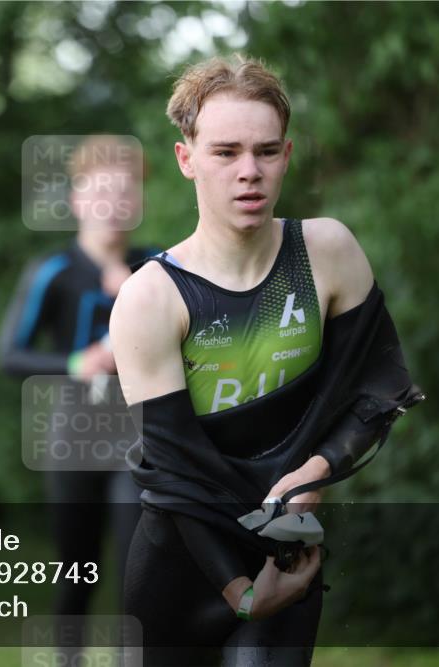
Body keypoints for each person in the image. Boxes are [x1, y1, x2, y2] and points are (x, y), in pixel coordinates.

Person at [110, 55, 422, 665]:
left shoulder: (327, 251)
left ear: (288, 154)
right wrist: (243, 592)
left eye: (267, 151)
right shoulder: (150, 297)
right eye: (225, 152)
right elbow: (174, 473)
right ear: (187, 160)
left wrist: (316, 472)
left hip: (287, 550)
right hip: (183, 568)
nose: (249, 172)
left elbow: (381, 387)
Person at [0, 135, 154, 649]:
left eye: (125, 193)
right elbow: (9, 355)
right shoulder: (53, 272)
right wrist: (76, 363)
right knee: (77, 577)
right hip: (73, 441)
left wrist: (133, 294)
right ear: (78, 199)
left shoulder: (159, 267)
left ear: (140, 201)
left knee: (140, 581)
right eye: (101, 192)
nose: (114, 205)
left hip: (139, 441)